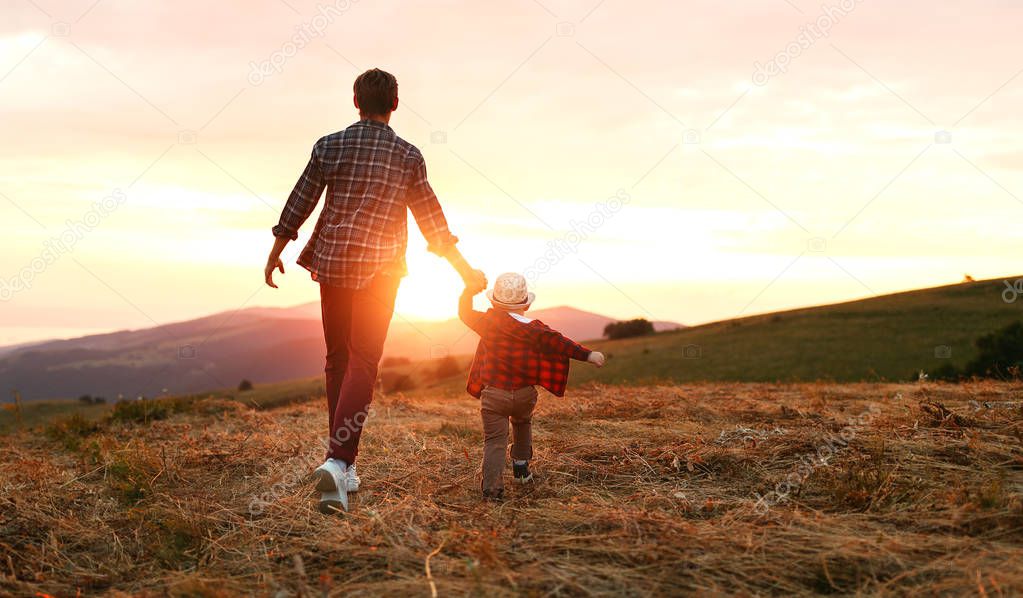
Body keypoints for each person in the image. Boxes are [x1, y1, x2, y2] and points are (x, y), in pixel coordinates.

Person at [264, 68, 487, 514]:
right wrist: (464, 270)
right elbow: (432, 221)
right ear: (396, 104)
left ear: (355, 101)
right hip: (381, 271)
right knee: (364, 361)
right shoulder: (407, 155)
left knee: (337, 360)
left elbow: (300, 201)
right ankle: (339, 460)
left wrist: (276, 251)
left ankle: (338, 462)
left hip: (333, 263)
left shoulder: (329, 145)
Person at [459, 272, 606, 500]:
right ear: (525, 304)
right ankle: (521, 468)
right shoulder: (537, 329)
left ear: (493, 302)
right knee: (522, 423)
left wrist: (469, 290)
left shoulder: (487, 323)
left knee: (495, 441)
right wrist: (589, 355)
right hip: (525, 394)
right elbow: (561, 343)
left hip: (494, 395)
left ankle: (492, 490)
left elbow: (463, 312)